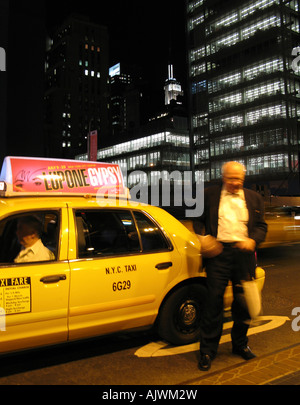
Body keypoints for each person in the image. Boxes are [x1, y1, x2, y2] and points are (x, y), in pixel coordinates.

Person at [197, 161, 267, 371]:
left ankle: (240, 344)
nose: (235, 183)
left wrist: (253, 240)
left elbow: (262, 226)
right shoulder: (209, 194)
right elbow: (198, 221)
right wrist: (204, 237)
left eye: (239, 179)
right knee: (213, 303)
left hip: (244, 255)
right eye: (231, 179)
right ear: (223, 177)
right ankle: (207, 351)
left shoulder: (254, 198)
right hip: (218, 253)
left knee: (243, 303)